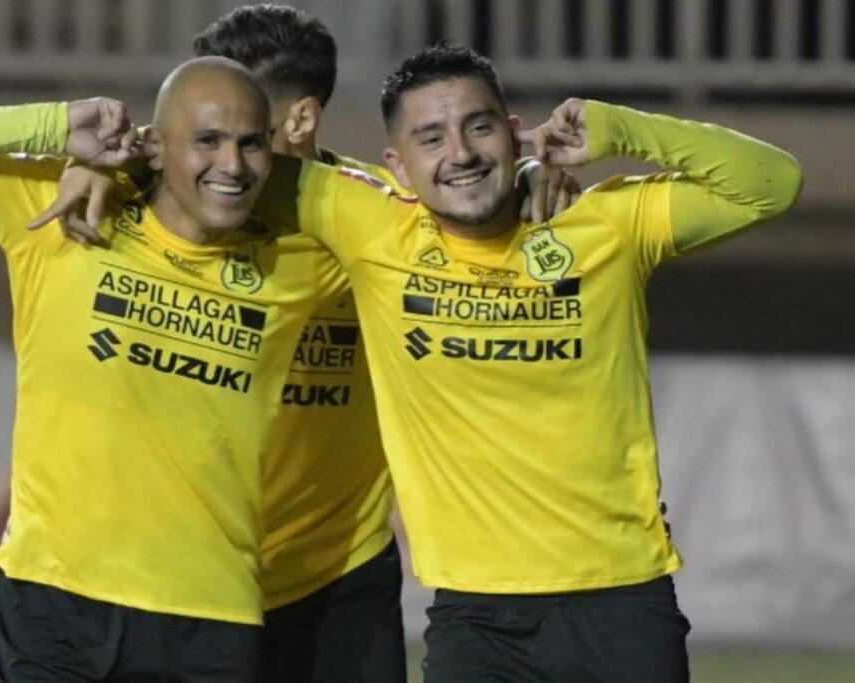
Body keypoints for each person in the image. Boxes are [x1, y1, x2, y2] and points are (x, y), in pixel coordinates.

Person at [29, 7, 580, 683]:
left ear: (297, 121)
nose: (225, 151)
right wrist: (105, 173)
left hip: (335, 579)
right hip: (199, 583)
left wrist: (526, 176)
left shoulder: (370, 223)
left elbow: (468, 202)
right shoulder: (157, 212)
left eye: (248, 125)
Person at [254, 44, 797, 681]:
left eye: (478, 126)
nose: (459, 152)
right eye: (431, 138)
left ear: (515, 135)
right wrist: (105, 162)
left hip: (623, 602)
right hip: (475, 620)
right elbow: (207, 160)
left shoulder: (603, 225)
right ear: (396, 167)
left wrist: (622, 129)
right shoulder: (370, 227)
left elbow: (771, 185)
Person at [0, 57, 348, 682]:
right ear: (158, 144)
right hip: (53, 600)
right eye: (207, 140)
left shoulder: (303, 256)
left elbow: (415, 217)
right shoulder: (59, 212)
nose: (231, 164)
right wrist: (61, 128)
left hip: (208, 612)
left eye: (249, 143)